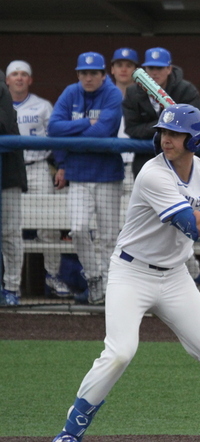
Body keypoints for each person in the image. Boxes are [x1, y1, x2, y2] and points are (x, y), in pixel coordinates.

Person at [47, 104, 200, 442]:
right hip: (131, 273)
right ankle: (67, 437)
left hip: (175, 276)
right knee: (120, 353)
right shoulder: (152, 175)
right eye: (164, 132)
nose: (167, 139)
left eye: (176, 134)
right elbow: (195, 225)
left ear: (193, 140)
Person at [123, 46, 200, 286]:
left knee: (179, 228)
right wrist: (166, 127)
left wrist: (171, 128)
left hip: (182, 169)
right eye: (150, 68)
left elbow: (197, 125)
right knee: (152, 227)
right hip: (149, 167)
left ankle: (192, 275)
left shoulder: (185, 90)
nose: (154, 72)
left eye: (159, 68)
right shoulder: (133, 92)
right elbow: (132, 129)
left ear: (169, 69)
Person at [48, 52, 124, 305]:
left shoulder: (112, 93)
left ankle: (109, 287)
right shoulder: (71, 92)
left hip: (107, 174)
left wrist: (71, 134)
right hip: (78, 174)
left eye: (93, 73)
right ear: (78, 74)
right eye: (83, 73)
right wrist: (85, 123)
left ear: (103, 74)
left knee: (109, 236)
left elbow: (103, 131)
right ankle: (94, 278)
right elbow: (53, 127)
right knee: (78, 229)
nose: (88, 78)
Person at [6, 60, 71, 299]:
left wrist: (61, 166)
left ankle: (52, 275)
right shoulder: (3, 105)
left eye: (23, 74)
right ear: (7, 80)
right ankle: (10, 283)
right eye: (15, 74)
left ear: (30, 80)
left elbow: (56, 137)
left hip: (38, 168)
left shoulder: (43, 106)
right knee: (9, 228)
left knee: (48, 226)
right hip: (10, 170)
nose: (19, 78)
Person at [0, 73, 27, 306]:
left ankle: (11, 287)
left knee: (9, 233)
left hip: (7, 173)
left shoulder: (1, 88)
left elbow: (4, 125)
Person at [109, 47, 139, 187]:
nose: (124, 69)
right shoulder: (103, 97)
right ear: (112, 69)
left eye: (129, 65)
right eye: (119, 65)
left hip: (135, 163)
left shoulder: (145, 98)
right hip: (110, 163)